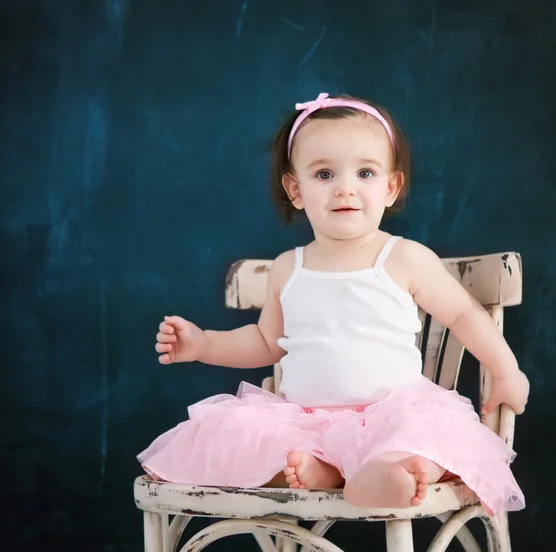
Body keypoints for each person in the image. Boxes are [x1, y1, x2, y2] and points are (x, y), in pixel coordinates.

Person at [139, 92, 528, 515]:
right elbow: (266, 341)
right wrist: (204, 345)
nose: (345, 188)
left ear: (391, 187)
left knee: (427, 442)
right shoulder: (289, 267)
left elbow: (463, 314)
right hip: (305, 422)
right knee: (241, 446)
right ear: (296, 190)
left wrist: (506, 370)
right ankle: (327, 471)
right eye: (324, 174)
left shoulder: (403, 258)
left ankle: (390, 474)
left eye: (365, 172)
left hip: (391, 416)